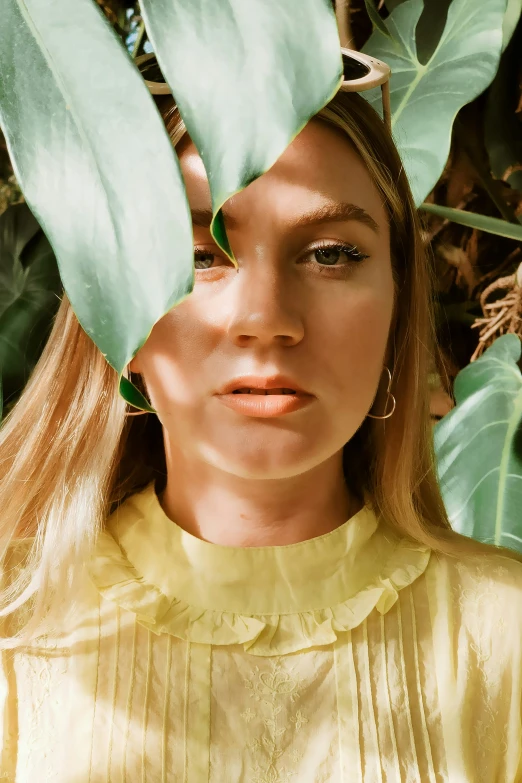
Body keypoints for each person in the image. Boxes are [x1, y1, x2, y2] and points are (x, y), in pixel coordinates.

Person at [0, 59, 520, 783]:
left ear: (399, 301)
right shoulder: (11, 635)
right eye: (200, 257)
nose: (267, 318)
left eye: (332, 254)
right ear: (118, 310)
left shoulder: (508, 637)